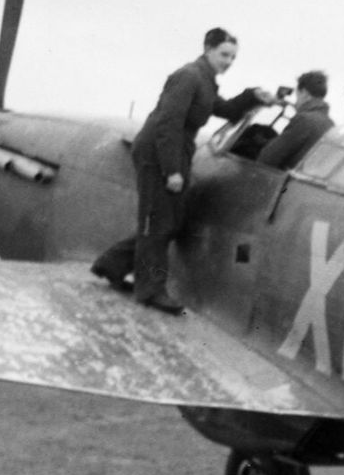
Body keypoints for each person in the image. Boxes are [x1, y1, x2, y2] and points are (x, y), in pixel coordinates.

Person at [91, 27, 270, 314]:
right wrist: (171, 171)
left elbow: (220, 108)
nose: (228, 62)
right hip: (159, 153)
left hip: (175, 151)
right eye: (224, 54)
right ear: (208, 49)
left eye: (233, 57)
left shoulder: (206, 79)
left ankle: (112, 265)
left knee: (169, 220)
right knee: (159, 222)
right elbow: (168, 125)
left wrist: (252, 96)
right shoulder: (188, 76)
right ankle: (150, 291)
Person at [257, 70, 334, 170]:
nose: (296, 101)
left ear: (304, 93)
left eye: (297, 95)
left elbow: (269, 156)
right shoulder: (330, 125)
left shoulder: (304, 120)